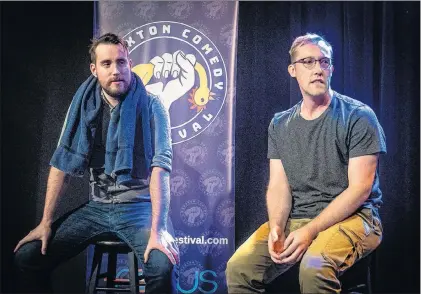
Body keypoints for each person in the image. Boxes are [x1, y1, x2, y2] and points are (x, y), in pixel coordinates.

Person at [14, 33, 179, 293]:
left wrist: (158, 230)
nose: (116, 70)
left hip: (139, 207)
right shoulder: (83, 106)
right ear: (94, 69)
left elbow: (161, 167)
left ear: (130, 63)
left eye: (121, 62)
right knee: (28, 256)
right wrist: (45, 221)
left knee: (161, 266)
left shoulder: (152, 105)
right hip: (97, 208)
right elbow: (62, 162)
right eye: (106, 64)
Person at [226, 33, 386, 293]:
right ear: (293, 70)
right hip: (298, 219)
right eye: (308, 62)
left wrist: (310, 230)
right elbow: (279, 186)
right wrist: (277, 227)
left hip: (356, 218)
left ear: (331, 68)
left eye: (324, 62)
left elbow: (360, 190)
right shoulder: (280, 124)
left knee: (314, 266)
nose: (318, 70)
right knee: (238, 268)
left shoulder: (358, 116)